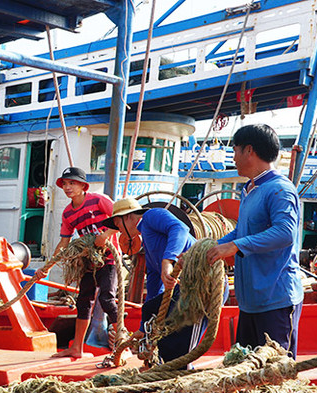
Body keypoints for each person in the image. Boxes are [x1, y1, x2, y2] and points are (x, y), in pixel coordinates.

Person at [206, 124, 302, 358]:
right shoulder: (250, 190)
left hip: (275, 301)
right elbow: (242, 231)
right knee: (247, 374)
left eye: (235, 151)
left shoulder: (279, 189)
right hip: (251, 303)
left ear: (249, 151)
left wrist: (236, 246)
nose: (234, 158)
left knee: (275, 374)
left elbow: (285, 232)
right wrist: (211, 248)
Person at [100, 197, 205, 365]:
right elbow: (155, 285)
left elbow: (180, 228)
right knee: (151, 310)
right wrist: (143, 328)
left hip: (202, 284)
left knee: (179, 346)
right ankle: (169, 374)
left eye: (118, 225)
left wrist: (167, 261)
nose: (119, 231)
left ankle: (181, 374)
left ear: (127, 218)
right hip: (186, 290)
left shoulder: (151, 215)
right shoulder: (148, 246)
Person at [36, 167, 118, 358]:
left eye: (72, 183)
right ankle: (77, 348)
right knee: (83, 302)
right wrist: (47, 268)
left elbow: (121, 218)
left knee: (106, 298)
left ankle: (125, 340)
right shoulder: (67, 214)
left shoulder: (98, 200)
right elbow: (64, 243)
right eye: (65, 184)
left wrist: (105, 235)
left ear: (83, 185)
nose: (67, 187)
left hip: (109, 258)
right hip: (89, 260)